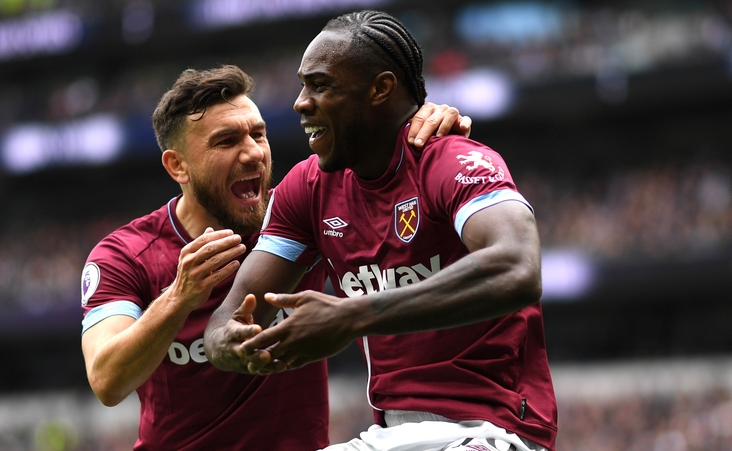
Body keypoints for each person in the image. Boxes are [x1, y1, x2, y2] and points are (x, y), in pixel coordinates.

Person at [204, 10, 558, 451]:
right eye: (302, 84)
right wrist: (230, 343)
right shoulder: (308, 187)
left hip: (493, 429)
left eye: (320, 85)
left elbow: (518, 268)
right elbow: (229, 316)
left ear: (380, 89)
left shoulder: (450, 159)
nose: (300, 101)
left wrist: (351, 315)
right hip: (390, 436)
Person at [79, 64, 471, 450]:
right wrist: (179, 297)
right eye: (226, 141)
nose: (253, 154)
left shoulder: (301, 214)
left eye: (258, 134)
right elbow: (107, 381)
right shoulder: (126, 255)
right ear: (177, 165)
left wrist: (416, 125)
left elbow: (384, 171)